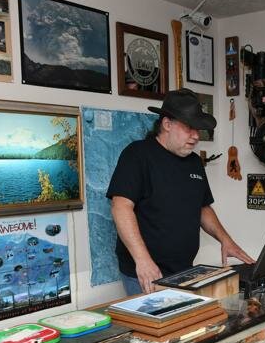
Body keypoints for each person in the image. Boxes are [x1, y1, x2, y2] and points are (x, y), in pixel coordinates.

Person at [107, 88, 254, 295]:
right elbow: (120, 207)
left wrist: (225, 239)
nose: (196, 136)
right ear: (167, 124)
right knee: (158, 326)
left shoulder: (194, 162)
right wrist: (143, 261)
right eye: (189, 128)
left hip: (184, 270)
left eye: (198, 130)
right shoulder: (137, 154)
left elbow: (202, 207)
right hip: (149, 272)